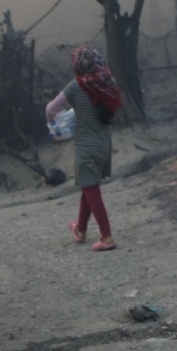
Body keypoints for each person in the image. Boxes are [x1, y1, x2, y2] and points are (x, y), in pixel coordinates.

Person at [46, 46, 120, 251]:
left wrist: (53, 126)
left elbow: (51, 109)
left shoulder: (76, 86)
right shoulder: (107, 82)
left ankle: (107, 238)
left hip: (86, 146)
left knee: (92, 190)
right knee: (88, 186)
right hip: (104, 143)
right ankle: (80, 229)